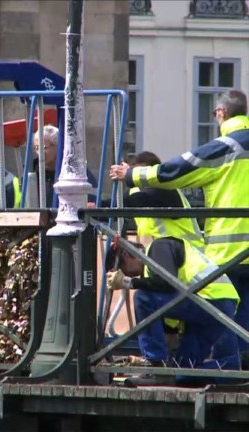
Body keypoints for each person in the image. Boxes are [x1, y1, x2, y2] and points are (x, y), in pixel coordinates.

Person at [109, 89, 249, 368]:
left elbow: (179, 170)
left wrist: (132, 176)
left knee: (226, 326)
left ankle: (230, 373)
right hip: (207, 260)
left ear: (221, 113)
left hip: (228, 253)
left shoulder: (228, 146)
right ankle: (232, 371)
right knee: (241, 325)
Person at [105, 237, 240, 387]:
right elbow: (170, 306)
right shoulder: (151, 273)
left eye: (124, 272)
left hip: (210, 300)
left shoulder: (158, 247)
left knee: (142, 297)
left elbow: (168, 283)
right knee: (183, 370)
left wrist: (128, 283)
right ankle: (236, 369)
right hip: (215, 306)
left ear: (126, 255)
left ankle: (154, 365)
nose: (129, 276)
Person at [124, 151, 203, 248]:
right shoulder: (135, 192)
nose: (138, 179)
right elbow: (115, 205)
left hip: (187, 253)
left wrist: (127, 174)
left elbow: (142, 200)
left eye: (141, 175)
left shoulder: (166, 189)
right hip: (158, 255)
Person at [32, 125, 99, 207]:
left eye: (44, 148)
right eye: (36, 148)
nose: (39, 152)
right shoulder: (31, 172)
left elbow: (93, 202)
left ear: (58, 146)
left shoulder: (76, 171)